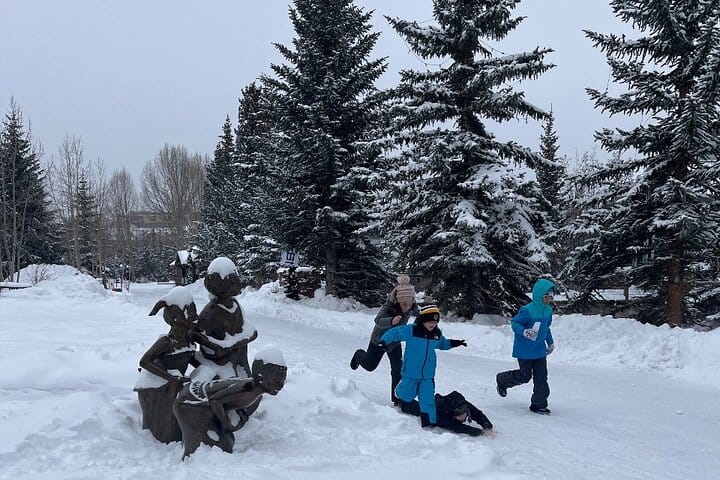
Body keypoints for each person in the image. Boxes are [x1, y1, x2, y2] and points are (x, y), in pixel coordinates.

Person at [380, 304, 467, 427]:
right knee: (406, 395)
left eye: (435, 322)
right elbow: (395, 332)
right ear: (423, 320)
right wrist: (384, 340)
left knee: (427, 399)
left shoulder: (436, 335)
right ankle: (399, 392)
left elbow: (443, 343)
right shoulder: (412, 331)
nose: (432, 325)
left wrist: (454, 343)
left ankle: (429, 421)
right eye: (429, 322)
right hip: (411, 372)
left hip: (428, 374)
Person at [350, 274, 420, 404]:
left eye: (410, 304)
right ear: (398, 301)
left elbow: (420, 314)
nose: (407, 307)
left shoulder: (411, 306)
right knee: (370, 366)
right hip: (379, 340)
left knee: (398, 370)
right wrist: (391, 321)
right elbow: (377, 320)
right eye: (404, 304)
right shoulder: (388, 307)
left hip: (394, 342)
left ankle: (397, 398)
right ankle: (359, 355)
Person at [496, 278, 556, 414]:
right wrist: (524, 331)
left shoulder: (548, 311)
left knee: (541, 378)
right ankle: (502, 380)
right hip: (524, 350)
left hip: (539, 350)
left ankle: (539, 405)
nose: (548, 299)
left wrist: (550, 342)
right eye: (546, 296)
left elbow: (546, 328)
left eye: (551, 296)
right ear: (539, 295)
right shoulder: (527, 310)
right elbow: (515, 324)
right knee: (525, 376)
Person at [399, 390, 494, 437]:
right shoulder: (445, 415)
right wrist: (481, 432)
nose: (462, 418)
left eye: (463, 415)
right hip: (434, 411)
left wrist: (487, 426)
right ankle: (400, 400)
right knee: (416, 408)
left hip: (445, 402)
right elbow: (458, 427)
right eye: (459, 417)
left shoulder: (465, 405)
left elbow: (478, 414)